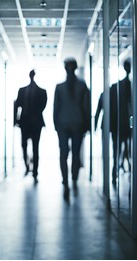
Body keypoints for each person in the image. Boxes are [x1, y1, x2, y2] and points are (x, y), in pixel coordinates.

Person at [53, 58, 90, 188]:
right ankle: (73, 176)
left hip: (63, 123)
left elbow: (56, 108)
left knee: (64, 152)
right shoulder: (82, 86)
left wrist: (56, 125)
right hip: (77, 123)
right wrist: (87, 125)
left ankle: (65, 178)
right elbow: (86, 107)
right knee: (75, 152)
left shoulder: (60, 87)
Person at [14, 70, 47, 182]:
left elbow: (42, 106)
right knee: (24, 145)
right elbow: (17, 105)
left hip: (36, 122)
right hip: (25, 122)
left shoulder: (42, 91)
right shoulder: (22, 90)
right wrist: (15, 120)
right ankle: (27, 165)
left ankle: (35, 170)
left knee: (35, 147)